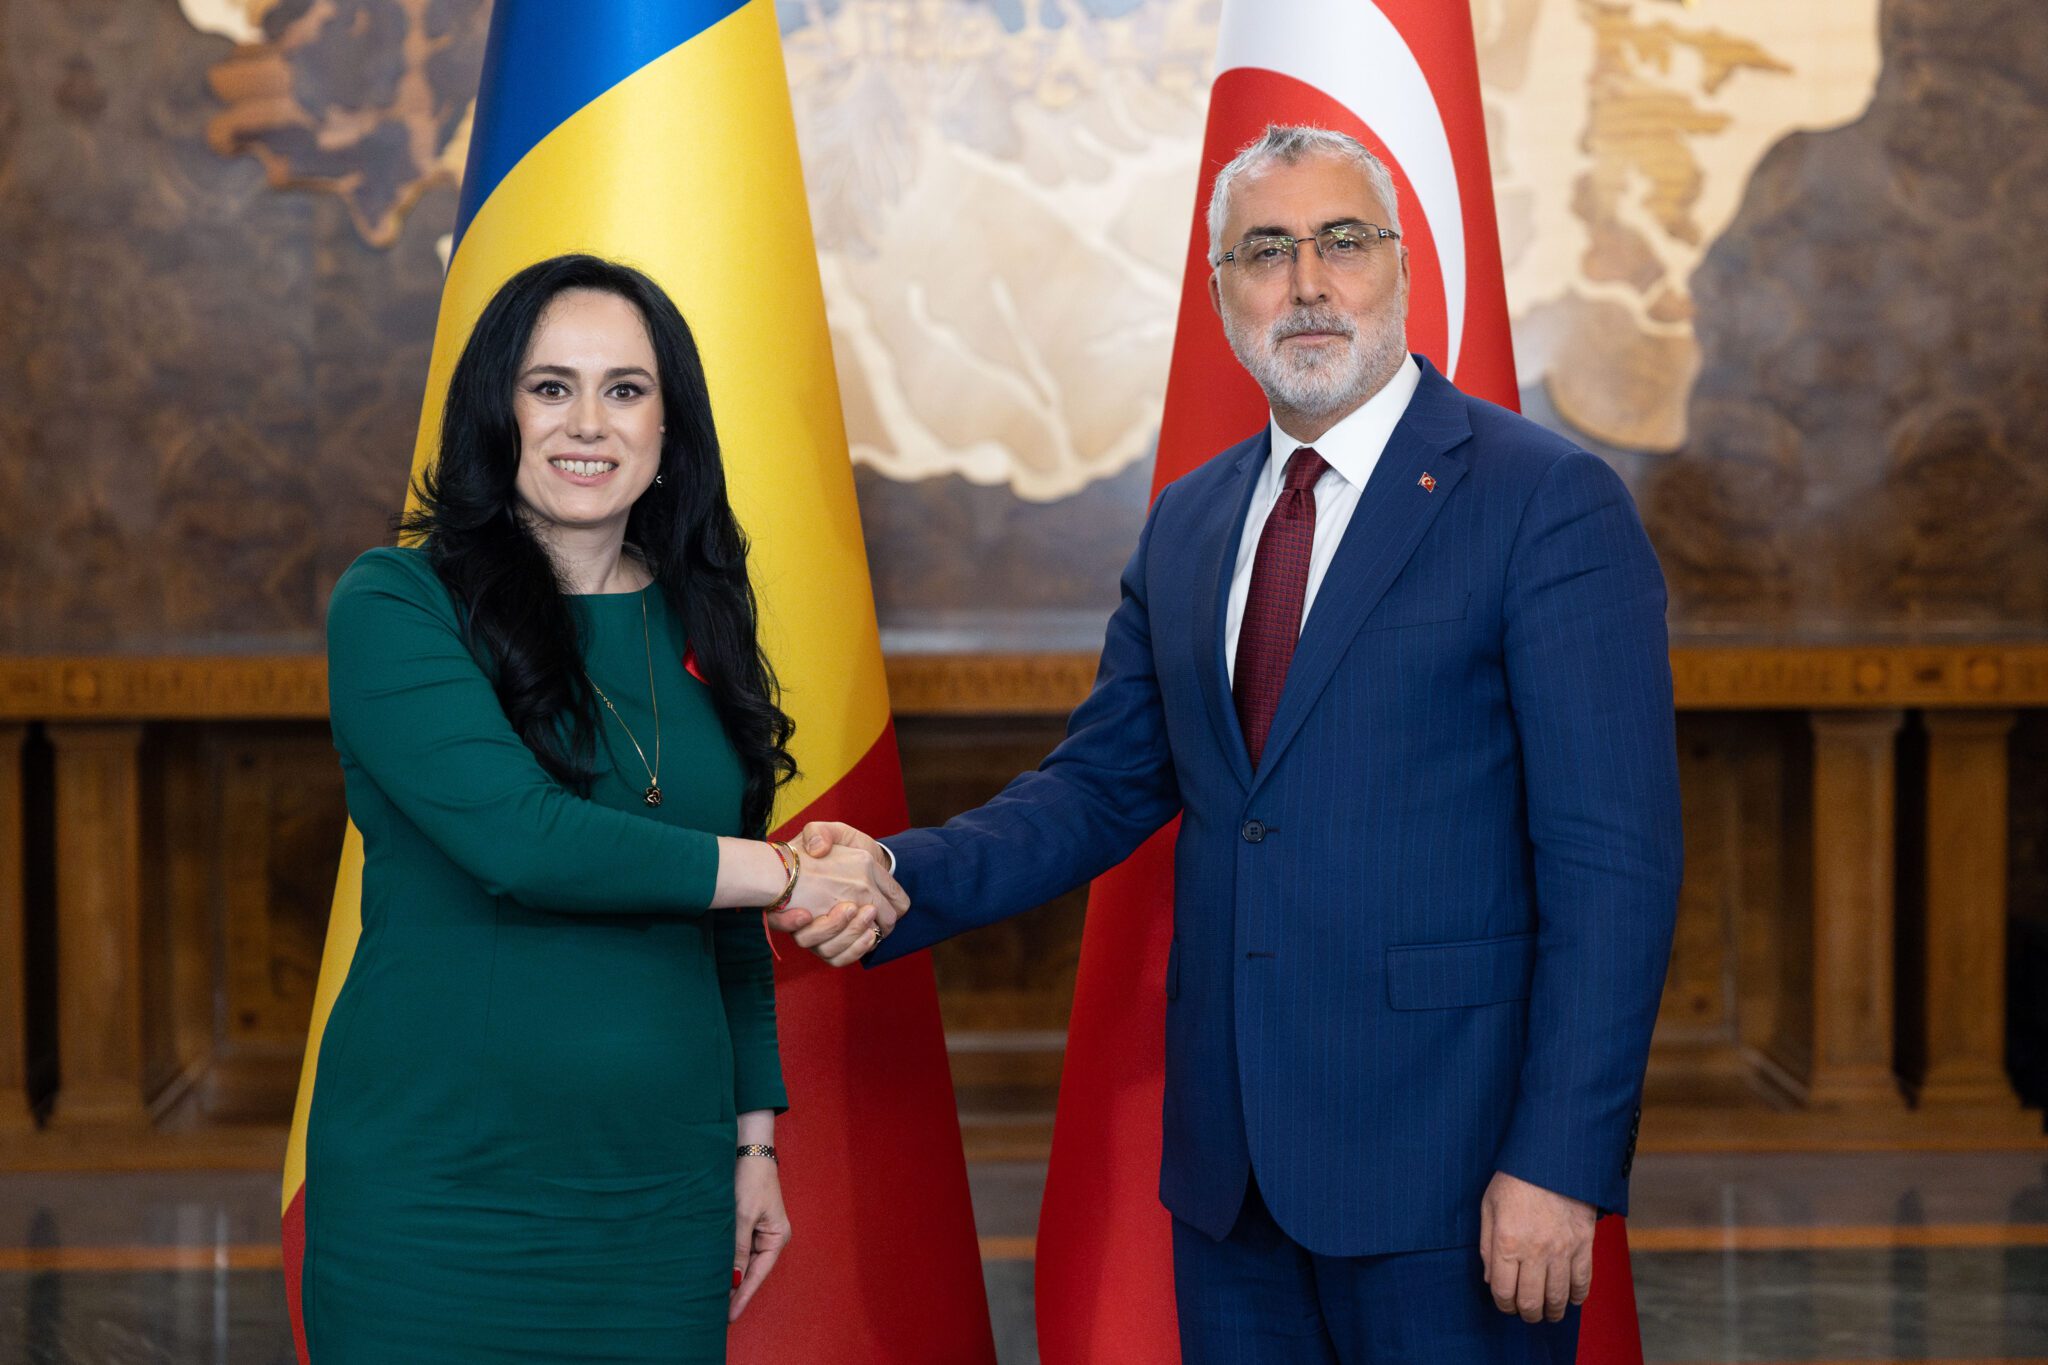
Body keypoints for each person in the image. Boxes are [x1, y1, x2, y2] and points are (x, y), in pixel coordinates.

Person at [787, 126, 1683, 1363]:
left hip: (1454, 1170)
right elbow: (1100, 786)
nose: (1305, 282)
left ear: (1401, 266)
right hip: (1232, 1178)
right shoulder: (1191, 522)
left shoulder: (1541, 501)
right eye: (1265, 251)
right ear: (1219, 294)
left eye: (1340, 241)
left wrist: (1558, 1162)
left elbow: (1613, 868)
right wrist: (897, 872)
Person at [302, 253, 906, 1362]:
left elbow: (725, 929)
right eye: (550, 387)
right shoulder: (394, 603)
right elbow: (523, 840)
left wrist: (753, 1144)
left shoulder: (702, 614)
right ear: (496, 411)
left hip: (658, 1192)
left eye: (625, 389)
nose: (588, 422)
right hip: (438, 1191)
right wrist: (787, 871)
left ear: (669, 429)